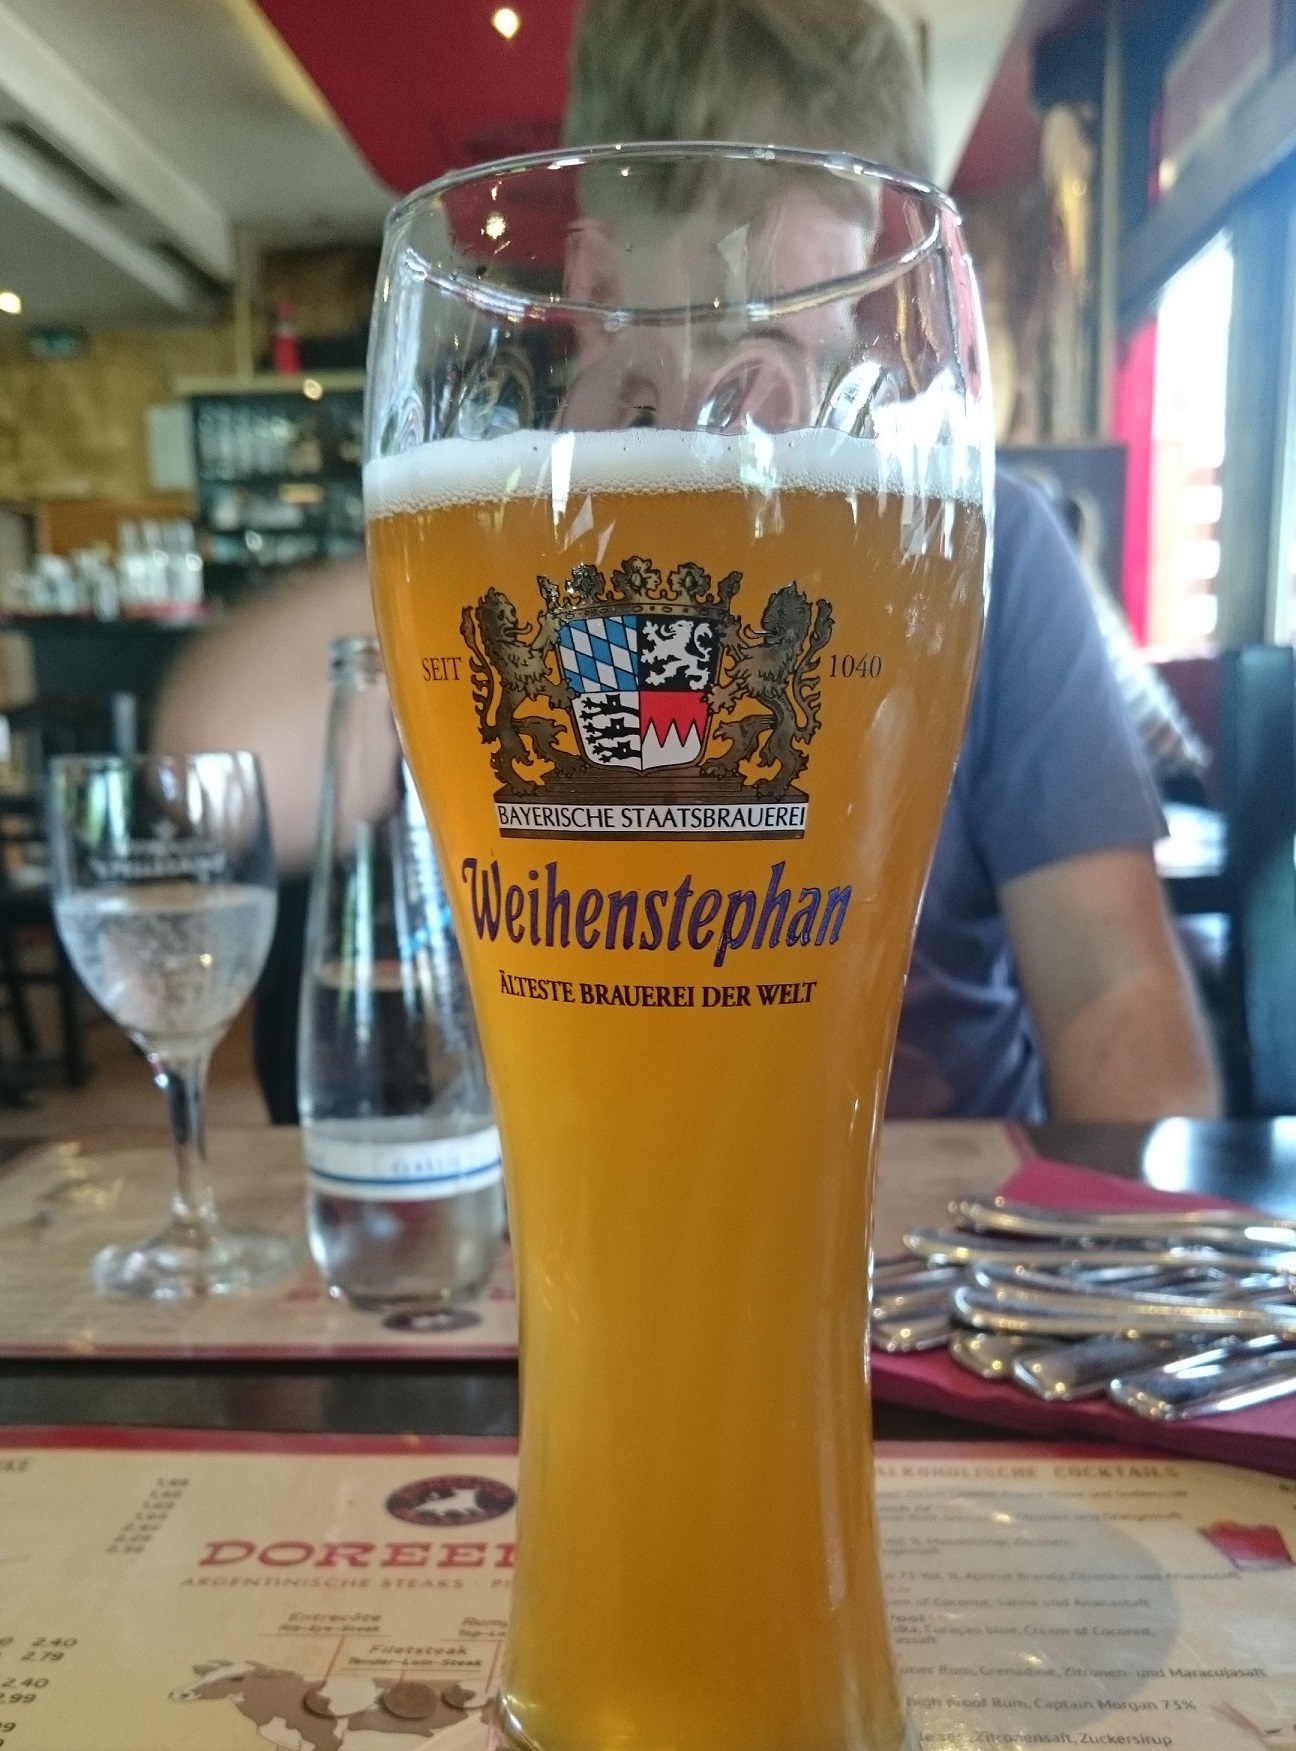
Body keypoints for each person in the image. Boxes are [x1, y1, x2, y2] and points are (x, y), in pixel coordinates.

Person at [155, 0, 1219, 1124]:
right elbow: (214, 765)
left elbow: (1114, 991)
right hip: (595, 1177)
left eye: (835, 351)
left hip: (925, 1177)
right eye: (743, 336)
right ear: (601, 289)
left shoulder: (980, 544)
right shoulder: (487, 553)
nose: (794, 415)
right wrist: (543, 525)